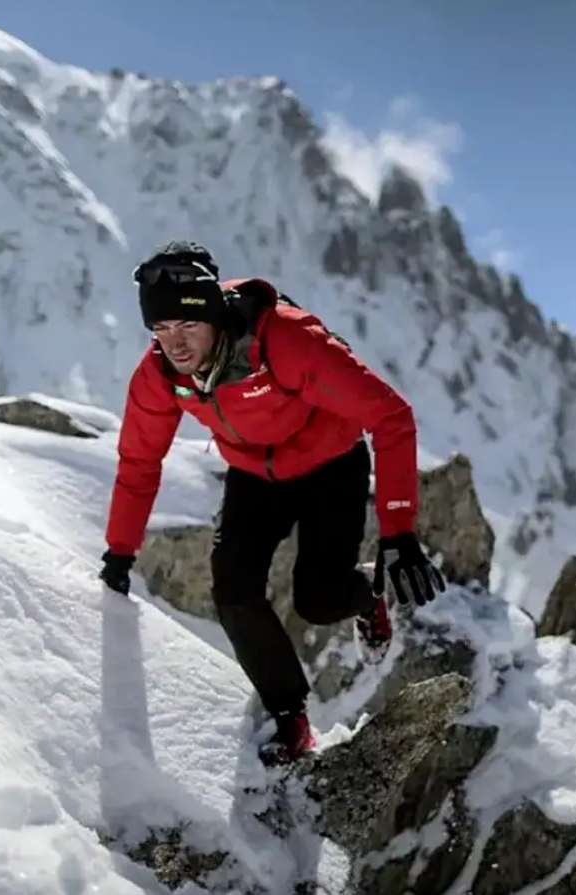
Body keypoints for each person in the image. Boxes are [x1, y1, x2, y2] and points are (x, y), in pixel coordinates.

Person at [98, 240, 446, 765]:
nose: (175, 343)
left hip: (331, 461)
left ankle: (366, 594)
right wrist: (119, 552)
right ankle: (290, 718)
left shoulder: (284, 339)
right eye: (161, 330)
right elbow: (138, 461)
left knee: (318, 600)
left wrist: (400, 531)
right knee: (233, 589)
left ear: (213, 313)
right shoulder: (162, 377)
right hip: (254, 474)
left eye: (187, 326)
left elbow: (391, 416)